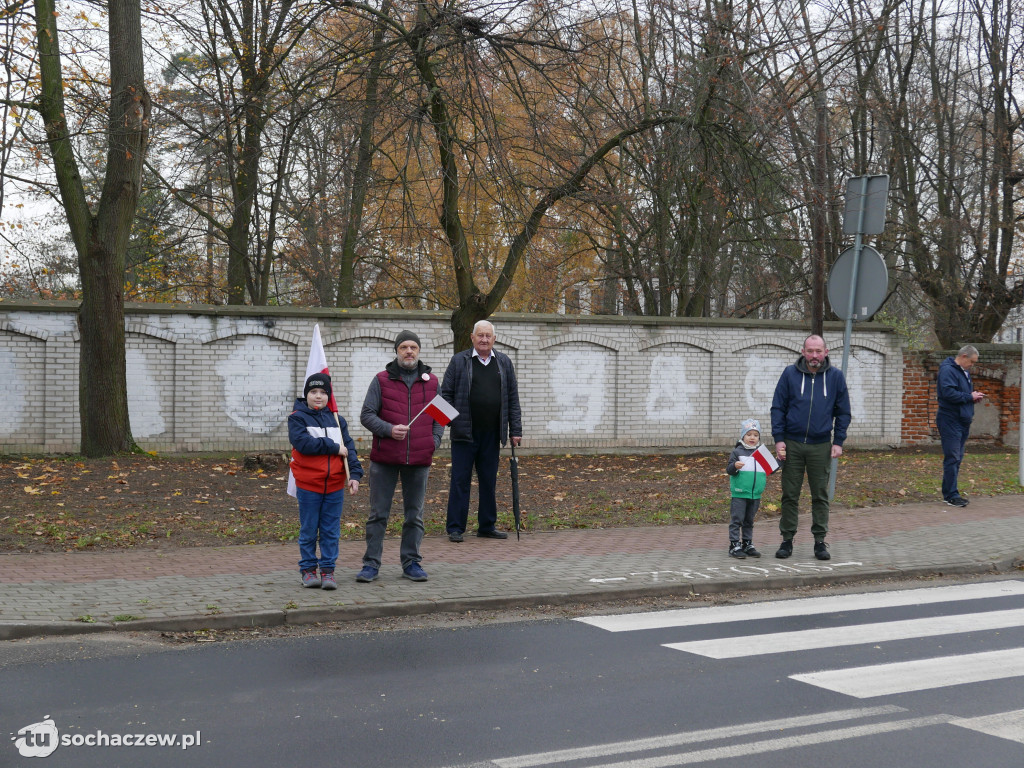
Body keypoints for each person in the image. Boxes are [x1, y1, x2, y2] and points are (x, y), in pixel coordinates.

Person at [357, 330, 444, 582]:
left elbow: (442, 418)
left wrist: (433, 442)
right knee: (378, 515)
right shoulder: (381, 380)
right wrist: (388, 429)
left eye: (413, 347)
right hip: (384, 459)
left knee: (414, 515)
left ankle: (412, 563)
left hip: (419, 460)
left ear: (418, 351)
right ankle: (371, 565)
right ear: (396, 351)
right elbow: (367, 415)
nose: (409, 351)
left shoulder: (432, 382)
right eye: (404, 347)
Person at [770, 334, 851, 561]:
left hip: (821, 445)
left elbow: (843, 412)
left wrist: (838, 441)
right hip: (792, 444)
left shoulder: (835, 377)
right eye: (810, 351)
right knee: (790, 494)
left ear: (825, 352)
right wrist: (779, 438)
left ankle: (819, 541)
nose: (814, 356)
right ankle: (787, 540)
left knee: (820, 495)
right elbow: (778, 407)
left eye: (818, 351)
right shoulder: (789, 374)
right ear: (803, 352)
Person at [442, 320, 522, 542]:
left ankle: (487, 526)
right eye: (480, 335)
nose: (484, 339)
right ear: (472, 337)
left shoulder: (504, 362)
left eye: (488, 336)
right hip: (464, 433)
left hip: (492, 434)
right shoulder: (459, 361)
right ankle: (456, 528)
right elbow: (445, 395)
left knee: (489, 481)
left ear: (494, 339)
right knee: (460, 481)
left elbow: (512, 399)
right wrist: (451, 422)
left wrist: (516, 429)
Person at [288, 373, 363, 590]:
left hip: (334, 487)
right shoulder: (297, 418)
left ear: (329, 396)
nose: (318, 396)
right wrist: (332, 446)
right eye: (313, 392)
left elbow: (349, 449)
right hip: (309, 485)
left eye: (323, 392)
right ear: (306, 395)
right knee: (309, 530)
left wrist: (355, 475)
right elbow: (303, 444)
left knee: (331, 531)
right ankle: (309, 570)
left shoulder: (338, 420)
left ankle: (328, 571)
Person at [936, 345, 985, 507]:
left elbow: (961, 395)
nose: (972, 365)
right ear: (964, 356)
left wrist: (972, 398)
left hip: (962, 420)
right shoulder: (948, 370)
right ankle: (951, 495)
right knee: (953, 457)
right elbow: (948, 393)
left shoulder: (963, 371)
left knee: (957, 458)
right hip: (950, 419)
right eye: (971, 361)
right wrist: (969, 396)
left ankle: (950, 492)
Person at [725, 418, 770, 559]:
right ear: (743, 436)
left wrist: (781, 459)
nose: (752, 438)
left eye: (756, 435)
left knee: (749, 520)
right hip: (740, 492)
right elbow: (729, 470)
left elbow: (771, 469)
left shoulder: (761, 453)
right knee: (737, 519)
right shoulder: (737, 452)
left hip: (755, 494)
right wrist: (734, 466)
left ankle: (747, 543)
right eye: (749, 434)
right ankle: (734, 544)